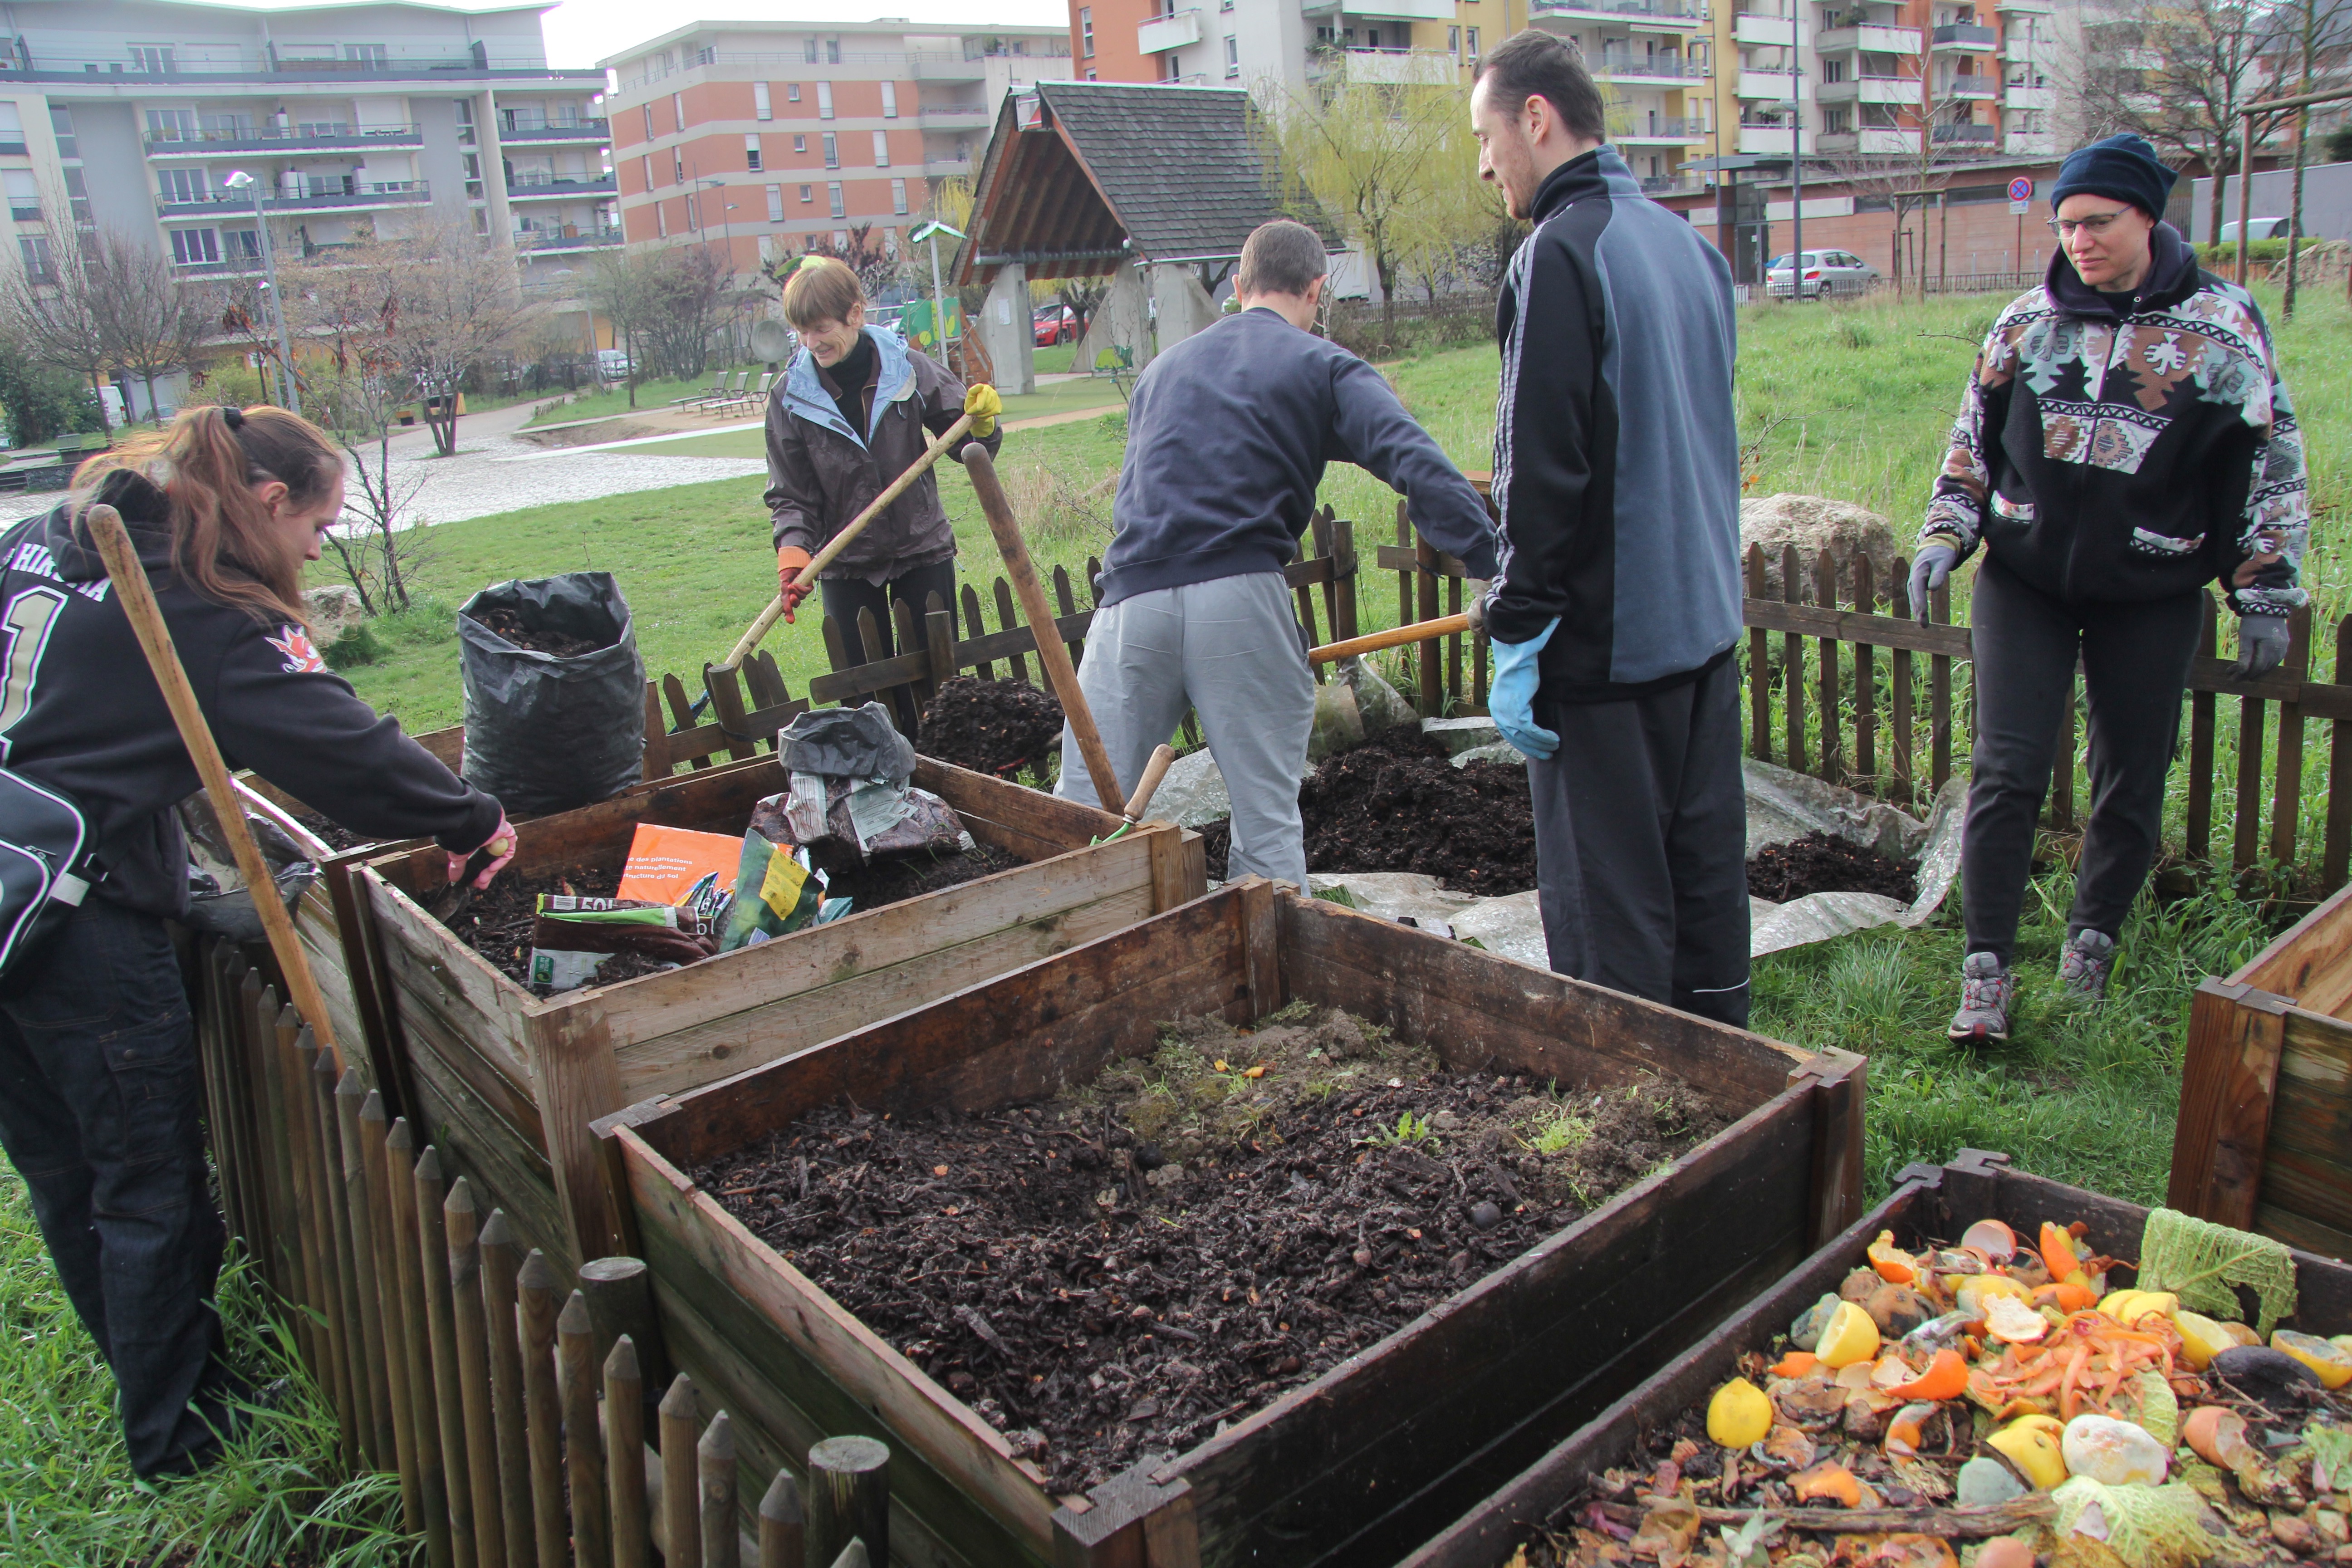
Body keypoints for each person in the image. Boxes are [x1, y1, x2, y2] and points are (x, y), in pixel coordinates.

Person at [0, 404, 516, 1479]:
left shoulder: (54, 534)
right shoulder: (198, 608)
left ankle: (151, 1381)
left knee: (63, 1168)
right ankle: (183, 1440)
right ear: (266, 502)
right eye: (317, 523)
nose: (320, 546)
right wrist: (467, 815)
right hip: (74, 922)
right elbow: (334, 735)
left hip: (10, 896)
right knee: (143, 1179)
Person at [1913, 133, 2307, 1042]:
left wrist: (2265, 589)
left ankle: (2089, 947)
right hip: (2026, 577)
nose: (2078, 240)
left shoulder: (2223, 326)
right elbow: (1973, 438)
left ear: (2148, 217)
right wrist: (1947, 531)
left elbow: (2271, 461)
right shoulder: (2026, 322)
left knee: (2129, 776)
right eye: (2066, 223)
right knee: (2006, 770)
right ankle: (1986, 974)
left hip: (2155, 584)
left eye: (2098, 222)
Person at [1055, 219, 1498, 889]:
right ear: (1317, 288)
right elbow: (1415, 462)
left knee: (1078, 821)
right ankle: (1265, 988)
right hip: (1238, 601)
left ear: (1239, 285)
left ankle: (1066, 962)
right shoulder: (1320, 364)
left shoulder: (1162, 370)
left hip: (1129, 608)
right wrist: (1494, 564)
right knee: (1265, 824)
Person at [1469, 31, 1752, 1027]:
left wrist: (1516, 629)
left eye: (1487, 136)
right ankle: (1733, 1089)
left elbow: (1542, 470)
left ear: (1536, 119)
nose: (1484, 164)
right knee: (1705, 896)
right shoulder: (1692, 250)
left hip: (1606, 660)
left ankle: (1638, 1115)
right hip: (1705, 635)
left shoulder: (1559, 254)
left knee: (1611, 919)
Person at [764, 255, 1004, 715]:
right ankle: (882, 783)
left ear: (855, 313)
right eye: (802, 332)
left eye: (821, 328)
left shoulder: (907, 369)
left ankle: (941, 781)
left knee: (937, 687)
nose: (812, 342)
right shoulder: (790, 397)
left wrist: (983, 424)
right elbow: (792, 495)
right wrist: (793, 560)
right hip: (846, 561)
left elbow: (965, 444)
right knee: (862, 693)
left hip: (920, 549)